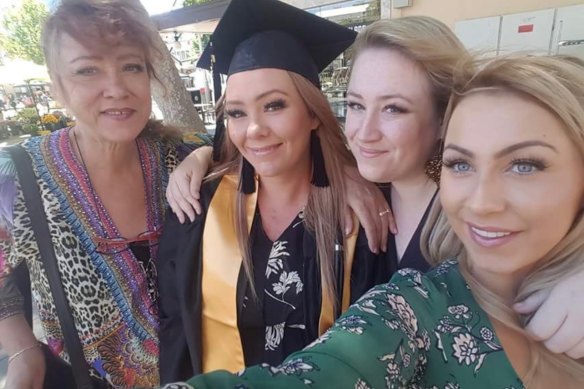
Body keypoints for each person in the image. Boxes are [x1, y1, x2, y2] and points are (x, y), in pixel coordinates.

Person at [170, 15, 584, 358]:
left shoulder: (477, 216)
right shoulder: (367, 192)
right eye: (354, 105)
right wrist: (200, 155)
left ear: (445, 116)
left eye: (394, 108)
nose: (364, 133)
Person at [157, 0, 394, 383]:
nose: (254, 130)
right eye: (236, 113)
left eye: (274, 105)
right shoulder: (197, 208)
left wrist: (351, 174)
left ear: (313, 113)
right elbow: (175, 328)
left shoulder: (360, 215)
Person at [0, 1, 212, 388]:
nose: (116, 89)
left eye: (131, 66)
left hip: (190, 374)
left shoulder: (177, 154)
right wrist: (23, 351)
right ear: (57, 85)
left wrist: (206, 154)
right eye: (87, 70)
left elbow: (251, 148)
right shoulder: (18, 177)